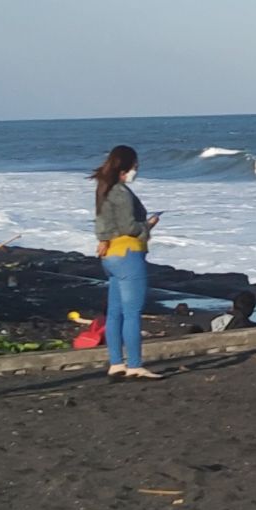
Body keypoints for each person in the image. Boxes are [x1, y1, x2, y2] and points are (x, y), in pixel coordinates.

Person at [91, 145, 162, 380]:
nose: (137, 169)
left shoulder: (104, 189)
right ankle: (134, 364)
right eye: (135, 165)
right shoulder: (120, 192)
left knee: (115, 313)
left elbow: (102, 224)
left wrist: (103, 240)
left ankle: (116, 363)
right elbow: (129, 227)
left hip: (111, 257)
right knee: (132, 313)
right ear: (125, 167)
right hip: (128, 255)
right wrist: (149, 225)